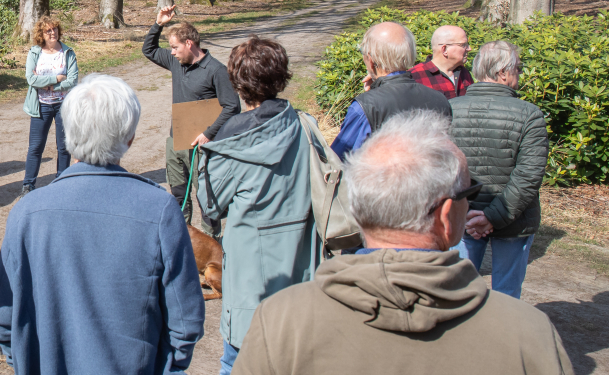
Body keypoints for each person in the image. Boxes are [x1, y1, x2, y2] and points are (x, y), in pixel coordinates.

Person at [232, 111, 574, 375]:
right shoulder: (527, 334)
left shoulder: (281, 320)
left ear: (354, 206)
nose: (472, 203)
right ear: (445, 216)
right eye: (469, 193)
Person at [0, 74, 205, 375]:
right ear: (130, 137)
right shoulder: (161, 209)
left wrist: (28, 362)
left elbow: (2, 318)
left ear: (68, 136)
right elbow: (185, 319)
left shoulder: (27, 212)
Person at [197, 37, 315, 375]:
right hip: (304, 267)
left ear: (237, 83)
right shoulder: (305, 125)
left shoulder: (230, 139)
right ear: (281, 77)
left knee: (238, 359)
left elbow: (210, 205)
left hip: (251, 274)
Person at [449, 40, 547, 299]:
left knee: (457, 292)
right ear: (503, 72)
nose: (520, 73)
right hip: (513, 219)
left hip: (463, 218)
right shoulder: (530, 114)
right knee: (507, 297)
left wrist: (472, 216)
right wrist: (493, 216)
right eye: (519, 67)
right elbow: (528, 176)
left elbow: (441, 167)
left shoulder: (450, 108)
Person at [143, 5, 240, 204]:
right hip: (175, 142)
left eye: (175, 47)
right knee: (178, 196)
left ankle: (211, 235)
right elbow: (149, 50)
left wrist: (208, 134)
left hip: (203, 145)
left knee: (206, 196)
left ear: (189, 44)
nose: (171, 53)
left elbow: (232, 106)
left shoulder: (216, 70)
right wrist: (158, 24)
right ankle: (183, 234)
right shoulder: (176, 63)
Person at [330, 21, 451, 159]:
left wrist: (370, 98)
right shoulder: (440, 100)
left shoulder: (365, 107)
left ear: (370, 60)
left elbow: (338, 159)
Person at [20, 16, 78, 197]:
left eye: (55, 29)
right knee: (36, 147)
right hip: (41, 106)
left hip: (63, 105)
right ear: (42, 34)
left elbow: (73, 80)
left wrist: (48, 85)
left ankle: (62, 181)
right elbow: (31, 79)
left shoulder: (67, 52)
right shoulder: (35, 53)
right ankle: (28, 184)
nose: (52, 33)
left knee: (64, 146)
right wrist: (56, 79)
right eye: (48, 31)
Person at [410, 25, 474, 99]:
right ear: (444, 50)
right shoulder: (415, 76)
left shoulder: (463, 72)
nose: (469, 49)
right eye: (463, 45)